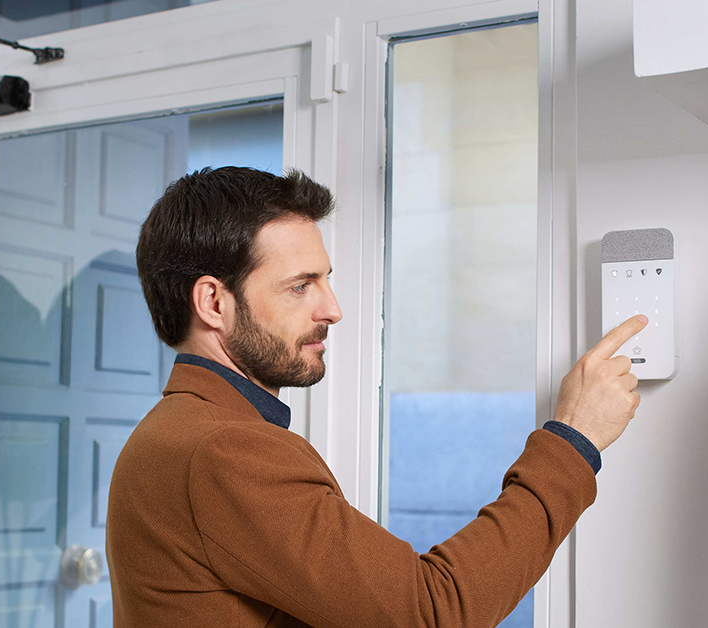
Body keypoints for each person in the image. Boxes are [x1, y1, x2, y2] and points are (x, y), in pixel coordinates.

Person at [107, 166, 647, 628]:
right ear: (213, 302)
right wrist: (573, 440)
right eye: (301, 286)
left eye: (326, 280)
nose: (331, 309)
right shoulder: (225, 450)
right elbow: (432, 612)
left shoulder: (174, 432)